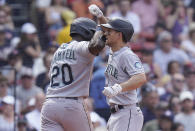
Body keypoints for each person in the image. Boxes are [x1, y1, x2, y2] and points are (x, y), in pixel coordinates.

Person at [41, 17, 106, 131]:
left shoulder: (59, 50)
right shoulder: (80, 46)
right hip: (71, 104)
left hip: (50, 105)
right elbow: (97, 45)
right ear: (87, 32)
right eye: (92, 32)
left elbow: (50, 75)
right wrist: (101, 28)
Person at [89, 5, 147, 131]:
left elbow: (141, 77)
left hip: (127, 112)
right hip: (117, 113)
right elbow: (107, 29)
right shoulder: (114, 50)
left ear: (119, 35)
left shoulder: (127, 55)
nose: (105, 34)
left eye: (109, 32)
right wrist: (100, 16)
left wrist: (119, 87)